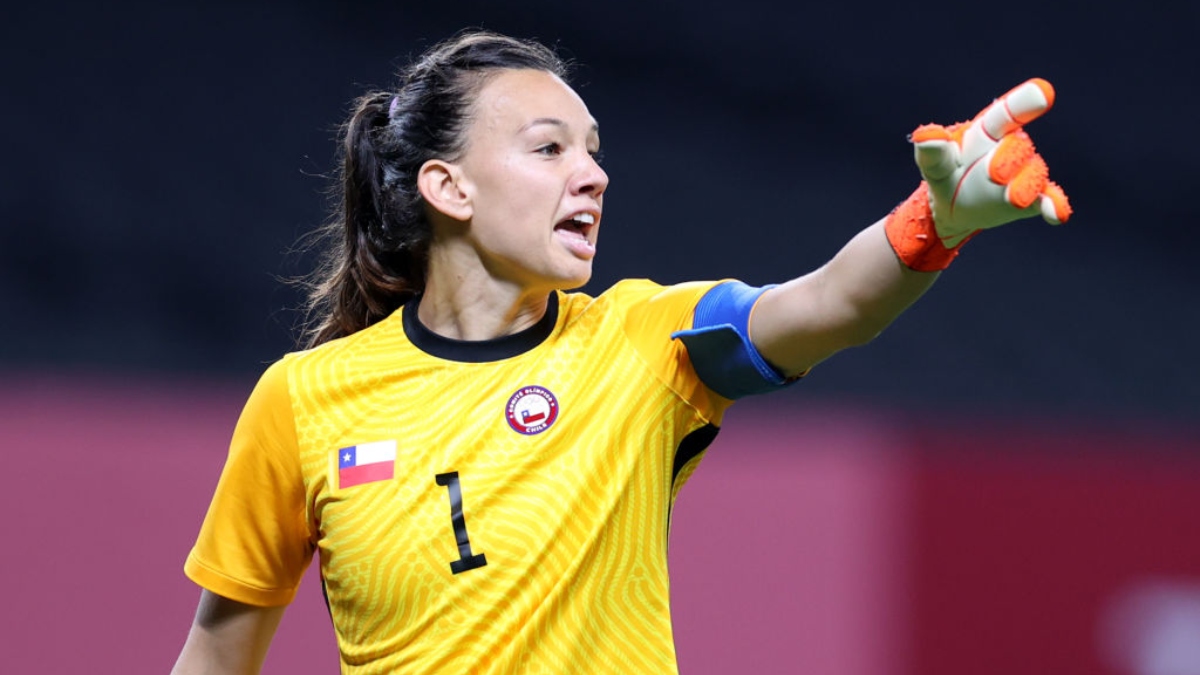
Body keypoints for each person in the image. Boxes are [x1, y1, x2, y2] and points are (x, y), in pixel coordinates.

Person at [171, 30, 1071, 675]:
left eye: (594, 152)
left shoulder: (640, 342)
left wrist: (932, 224)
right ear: (448, 187)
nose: (592, 174)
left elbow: (828, 304)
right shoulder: (305, 398)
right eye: (549, 148)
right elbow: (218, 649)